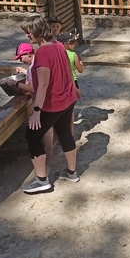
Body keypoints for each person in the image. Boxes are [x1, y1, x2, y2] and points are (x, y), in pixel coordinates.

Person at [16, 16, 79, 193]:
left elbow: (43, 85)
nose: (27, 35)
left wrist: (36, 110)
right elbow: (68, 68)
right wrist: (74, 88)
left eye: (29, 31)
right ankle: (72, 173)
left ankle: (41, 180)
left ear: (37, 31)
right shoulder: (58, 44)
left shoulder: (42, 53)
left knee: (32, 136)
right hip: (68, 99)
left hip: (53, 103)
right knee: (65, 133)